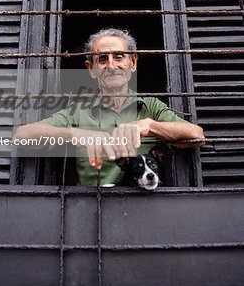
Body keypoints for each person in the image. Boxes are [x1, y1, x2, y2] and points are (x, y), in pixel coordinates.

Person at [13, 28, 205, 186]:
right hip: (92, 210)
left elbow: (196, 135)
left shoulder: (150, 105)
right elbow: (21, 137)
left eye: (119, 57)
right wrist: (75, 134)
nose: (111, 65)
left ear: (133, 62)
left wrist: (149, 125)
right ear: (92, 69)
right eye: (102, 59)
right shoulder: (78, 111)